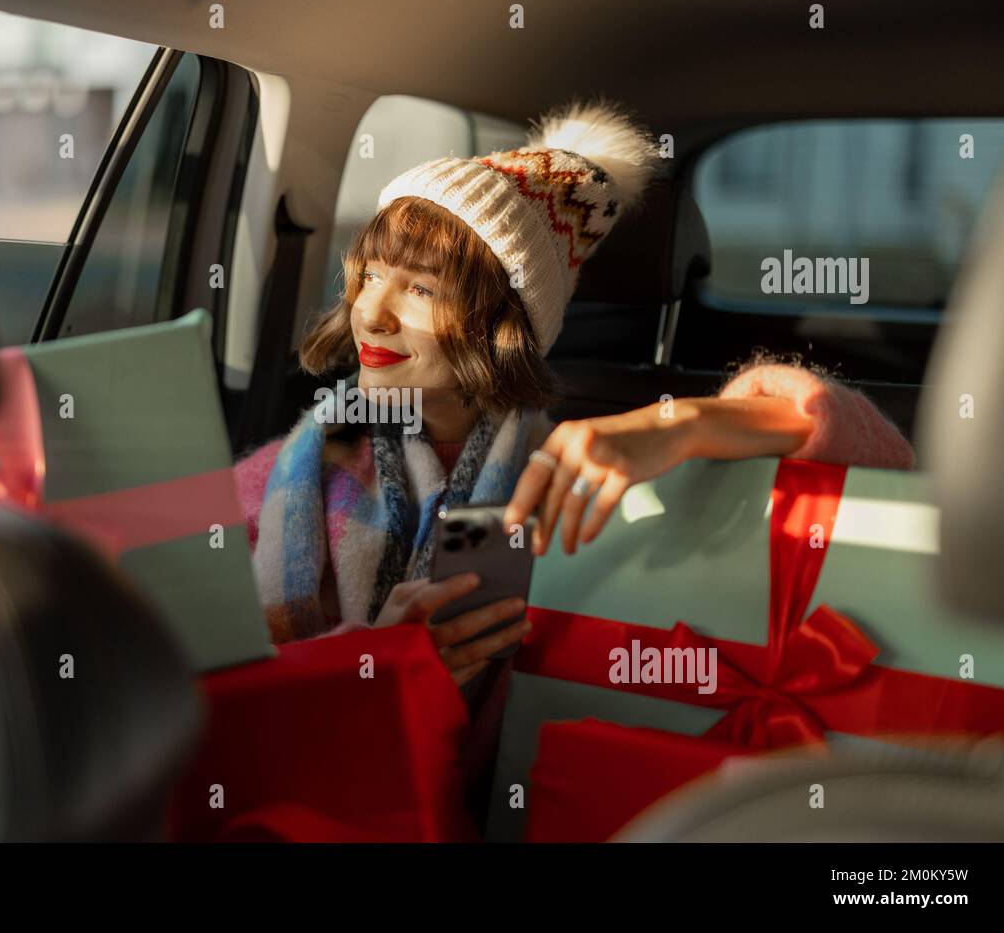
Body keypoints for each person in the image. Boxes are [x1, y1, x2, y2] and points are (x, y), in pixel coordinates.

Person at [235, 100, 914, 686]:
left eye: (420, 288)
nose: (370, 313)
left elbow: (881, 462)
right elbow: (182, 619)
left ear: (500, 323)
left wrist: (684, 426)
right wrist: (371, 662)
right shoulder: (307, 461)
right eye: (368, 275)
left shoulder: (578, 472)